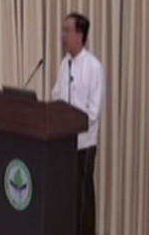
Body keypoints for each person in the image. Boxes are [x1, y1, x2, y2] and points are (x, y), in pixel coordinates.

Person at [50, 13, 104, 235]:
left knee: (82, 198)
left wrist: (72, 123)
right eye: (63, 31)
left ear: (80, 35)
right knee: (66, 197)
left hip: (84, 144)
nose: (63, 36)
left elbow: (93, 111)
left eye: (67, 31)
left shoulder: (93, 66)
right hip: (64, 144)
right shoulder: (65, 64)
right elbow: (56, 95)